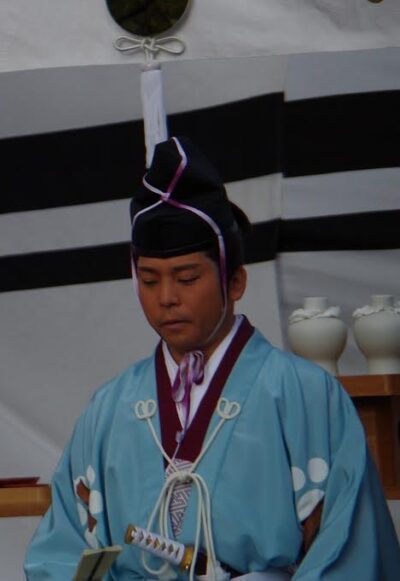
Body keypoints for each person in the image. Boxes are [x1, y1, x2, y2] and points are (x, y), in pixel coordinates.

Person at [25, 136, 400, 580]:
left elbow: (349, 551)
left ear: (235, 282)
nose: (166, 298)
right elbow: (61, 552)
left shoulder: (305, 394)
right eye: (148, 281)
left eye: (186, 278)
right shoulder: (108, 409)